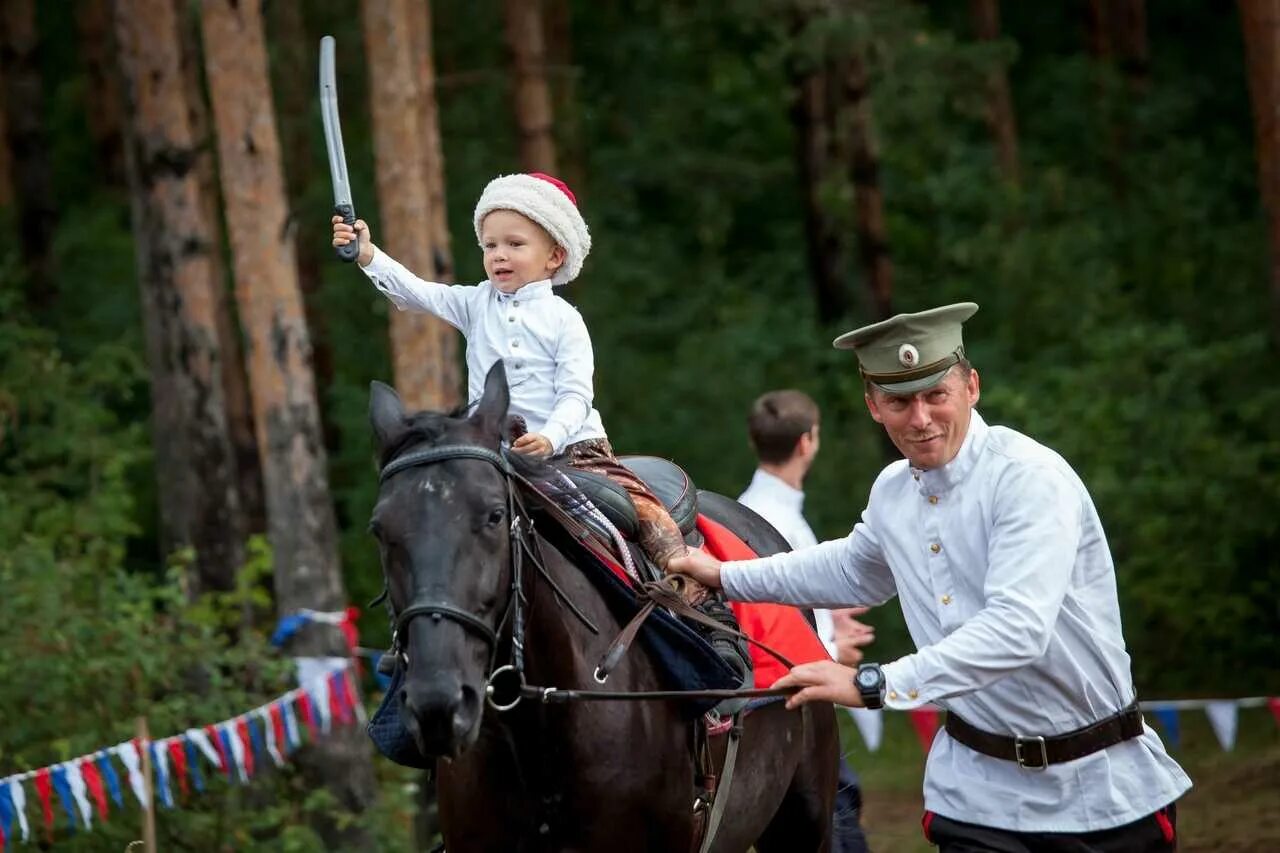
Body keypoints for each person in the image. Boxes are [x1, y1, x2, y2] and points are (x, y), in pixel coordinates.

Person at [671, 303, 1191, 851]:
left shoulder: (1029, 479)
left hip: (1100, 793)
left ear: (972, 386)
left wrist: (873, 684)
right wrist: (724, 574)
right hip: (976, 799)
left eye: (935, 394)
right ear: (874, 405)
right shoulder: (894, 490)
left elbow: (1017, 630)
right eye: (899, 401)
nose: (920, 418)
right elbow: (853, 569)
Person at [332, 172, 749, 676]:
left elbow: (576, 394)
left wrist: (550, 436)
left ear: (554, 256)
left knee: (648, 516)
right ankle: (422, 641)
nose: (498, 256)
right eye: (490, 245)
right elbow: (418, 292)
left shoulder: (565, 320)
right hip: (495, 459)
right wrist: (367, 255)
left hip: (573, 454)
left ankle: (707, 616)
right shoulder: (474, 303)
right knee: (439, 520)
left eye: (514, 244)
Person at [739, 389, 872, 853]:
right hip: (785, 717)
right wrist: (835, 651)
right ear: (807, 442)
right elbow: (759, 628)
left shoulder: (767, 512)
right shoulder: (766, 521)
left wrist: (831, 620)